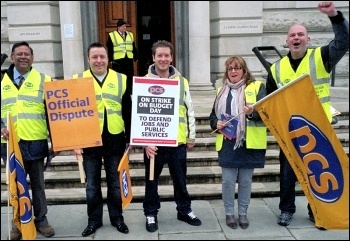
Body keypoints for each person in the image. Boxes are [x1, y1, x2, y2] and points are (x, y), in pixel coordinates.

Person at [266, 1, 349, 227]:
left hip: (319, 128)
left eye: (301, 34)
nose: (296, 38)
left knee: (319, 170)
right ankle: (286, 210)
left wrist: (334, 15)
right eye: (292, 34)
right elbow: (270, 103)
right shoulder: (275, 69)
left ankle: (316, 210)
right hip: (291, 131)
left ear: (308, 39)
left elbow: (344, 41)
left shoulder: (321, 57)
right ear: (286, 41)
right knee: (287, 173)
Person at [73, 42, 132, 236]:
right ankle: (94, 221)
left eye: (102, 57)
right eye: (95, 57)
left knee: (115, 184)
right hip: (88, 141)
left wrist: (130, 138)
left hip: (115, 138)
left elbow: (128, 110)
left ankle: (117, 218)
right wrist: (74, 142)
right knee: (92, 185)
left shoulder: (122, 79)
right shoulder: (77, 80)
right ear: (88, 59)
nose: (99, 61)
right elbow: (70, 115)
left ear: (108, 59)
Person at [142, 40, 201, 232]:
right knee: (151, 181)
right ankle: (151, 213)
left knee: (180, 180)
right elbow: (139, 115)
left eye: (167, 55)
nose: (163, 59)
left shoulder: (182, 82)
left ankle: (184, 210)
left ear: (172, 58)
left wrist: (191, 136)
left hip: (177, 142)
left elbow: (189, 110)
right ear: (153, 57)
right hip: (154, 144)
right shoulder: (144, 81)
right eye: (159, 55)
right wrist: (144, 142)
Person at [1, 41, 55, 239]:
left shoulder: (44, 79)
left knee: (38, 184)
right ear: (12, 57)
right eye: (19, 54)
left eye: (27, 54)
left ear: (32, 57)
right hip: (10, 144)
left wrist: (56, 141)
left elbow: (54, 113)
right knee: (15, 185)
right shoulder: (1, 81)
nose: (23, 57)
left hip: (36, 141)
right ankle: (18, 223)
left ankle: (41, 220)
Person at [209, 56, 267, 230]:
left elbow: (266, 112)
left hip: (247, 143)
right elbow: (213, 115)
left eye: (237, 68)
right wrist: (215, 123)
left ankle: (242, 213)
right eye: (230, 69)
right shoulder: (220, 90)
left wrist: (251, 113)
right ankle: (229, 213)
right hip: (227, 142)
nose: (233, 71)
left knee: (245, 181)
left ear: (244, 70)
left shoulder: (257, 87)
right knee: (227, 181)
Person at [107, 18, 138, 96]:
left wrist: (135, 56)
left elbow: (133, 46)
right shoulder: (112, 35)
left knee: (129, 75)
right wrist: (110, 59)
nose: (125, 28)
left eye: (125, 26)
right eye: (123, 26)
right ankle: (119, 92)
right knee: (119, 76)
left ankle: (130, 92)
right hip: (118, 60)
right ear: (118, 27)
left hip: (128, 59)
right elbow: (109, 48)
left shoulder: (130, 34)